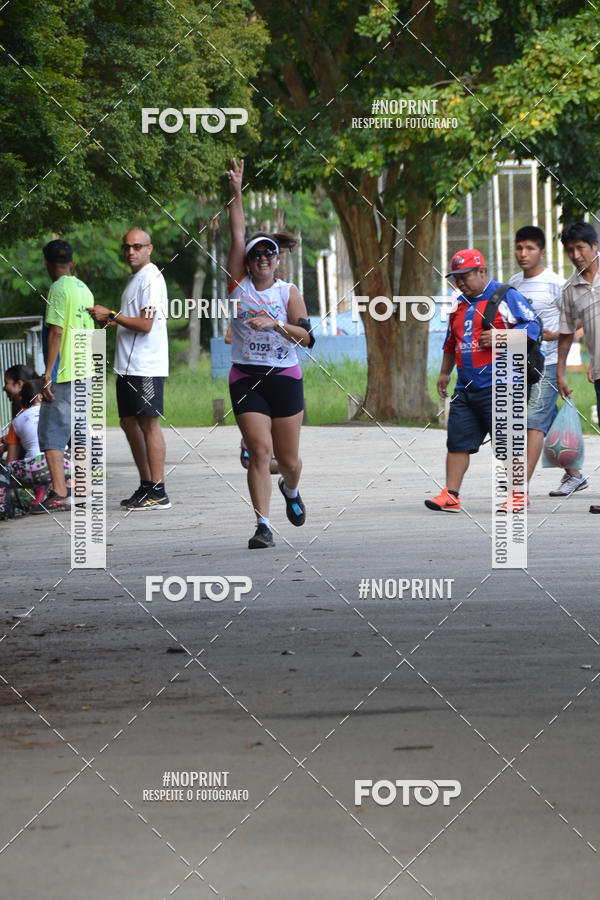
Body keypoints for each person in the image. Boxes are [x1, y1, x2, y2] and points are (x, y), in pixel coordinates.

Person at [226, 157, 313, 548]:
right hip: (246, 376)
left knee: (289, 461)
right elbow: (237, 232)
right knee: (260, 451)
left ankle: (290, 492)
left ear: (278, 261)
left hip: (284, 377)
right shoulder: (237, 287)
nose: (262, 259)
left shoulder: (287, 292)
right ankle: (262, 525)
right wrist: (236, 190)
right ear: (248, 261)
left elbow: (307, 338)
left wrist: (275, 324)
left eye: (269, 254)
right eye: (256, 254)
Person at [425, 248, 540, 513]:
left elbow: (533, 327)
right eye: (456, 278)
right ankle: (451, 495)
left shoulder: (505, 296)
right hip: (465, 386)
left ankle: (519, 494)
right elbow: (451, 341)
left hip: (501, 384)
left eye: (465, 276)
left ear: (482, 272)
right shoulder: (458, 303)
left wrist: (501, 337)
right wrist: (445, 372)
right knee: (457, 441)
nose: (461, 283)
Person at [88, 228, 170, 510]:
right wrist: (109, 321)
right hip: (127, 364)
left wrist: (112, 314)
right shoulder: (135, 279)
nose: (130, 251)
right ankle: (147, 485)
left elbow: (146, 325)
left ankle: (158, 490)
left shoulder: (151, 277)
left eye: (137, 246)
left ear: (150, 248)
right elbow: (132, 320)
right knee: (128, 422)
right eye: (126, 247)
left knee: (149, 423)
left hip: (145, 364)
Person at [508, 226, 586, 509]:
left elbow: (579, 318)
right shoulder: (514, 283)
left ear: (541, 252)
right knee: (548, 420)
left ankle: (519, 488)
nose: (523, 254)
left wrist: (555, 333)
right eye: (519, 248)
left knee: (532, 422)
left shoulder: (556, 283)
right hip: (524, 363)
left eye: (529, 248)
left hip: (550, 362)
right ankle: (575, 475)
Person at [29, 240, 94, 514]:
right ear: (73, 261)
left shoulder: (57, 289)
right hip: (86, 369)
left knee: (50, 434)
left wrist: (47, 373)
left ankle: (59, 493)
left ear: (46, 262)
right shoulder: (83, 288)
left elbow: (56, 331)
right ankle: (83, 491)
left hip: (64, 372)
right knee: (78, 432)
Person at [555, 222, 600, 514]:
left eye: (580, 247)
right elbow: (567, 332)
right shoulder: (570, 289)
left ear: (595, 246)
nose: (575, 254)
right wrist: (560, 371)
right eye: (570, 249)